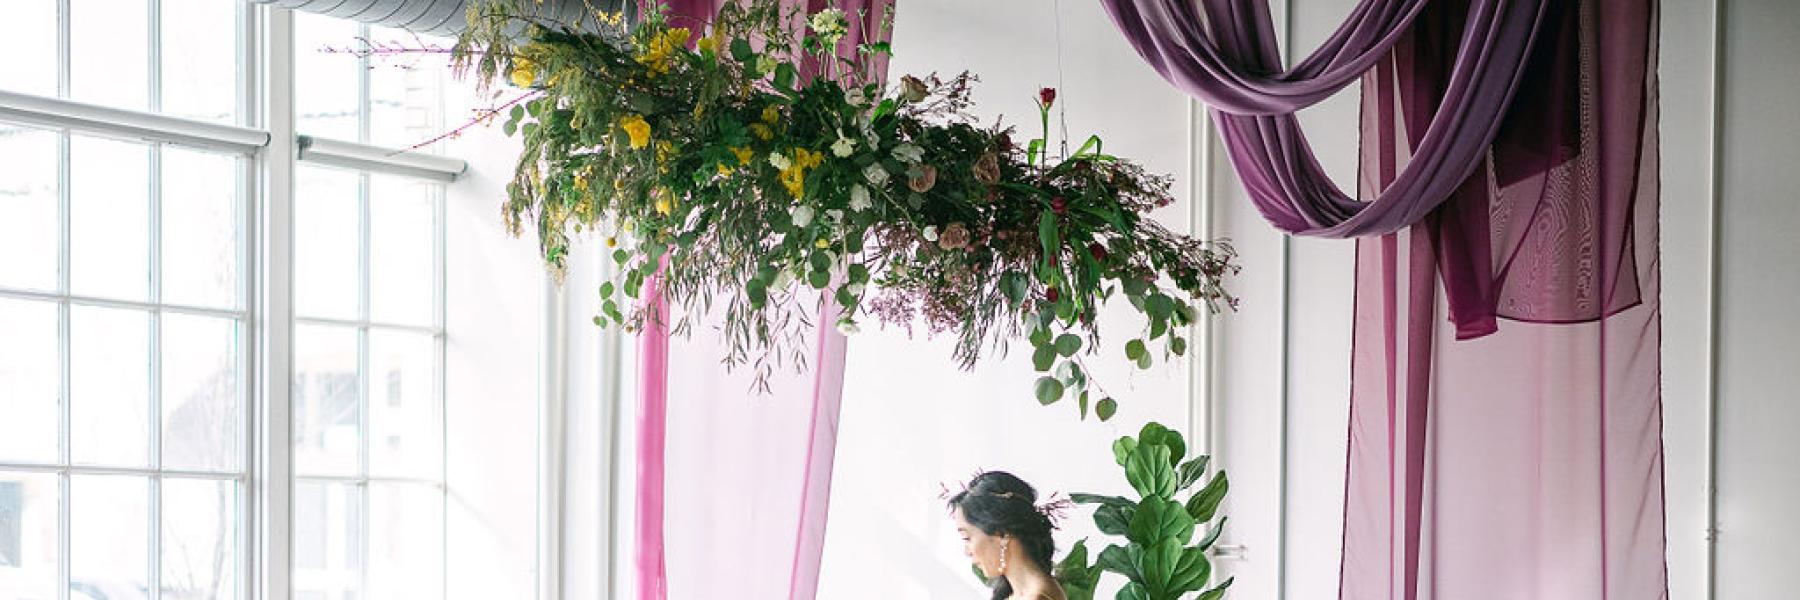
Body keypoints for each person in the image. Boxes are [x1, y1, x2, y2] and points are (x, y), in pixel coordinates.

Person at [947, 471, 1068, 600]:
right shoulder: (1022, 593)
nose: (967, 551)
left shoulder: (1038, 597)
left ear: (1003, 533)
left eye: (967, 538)